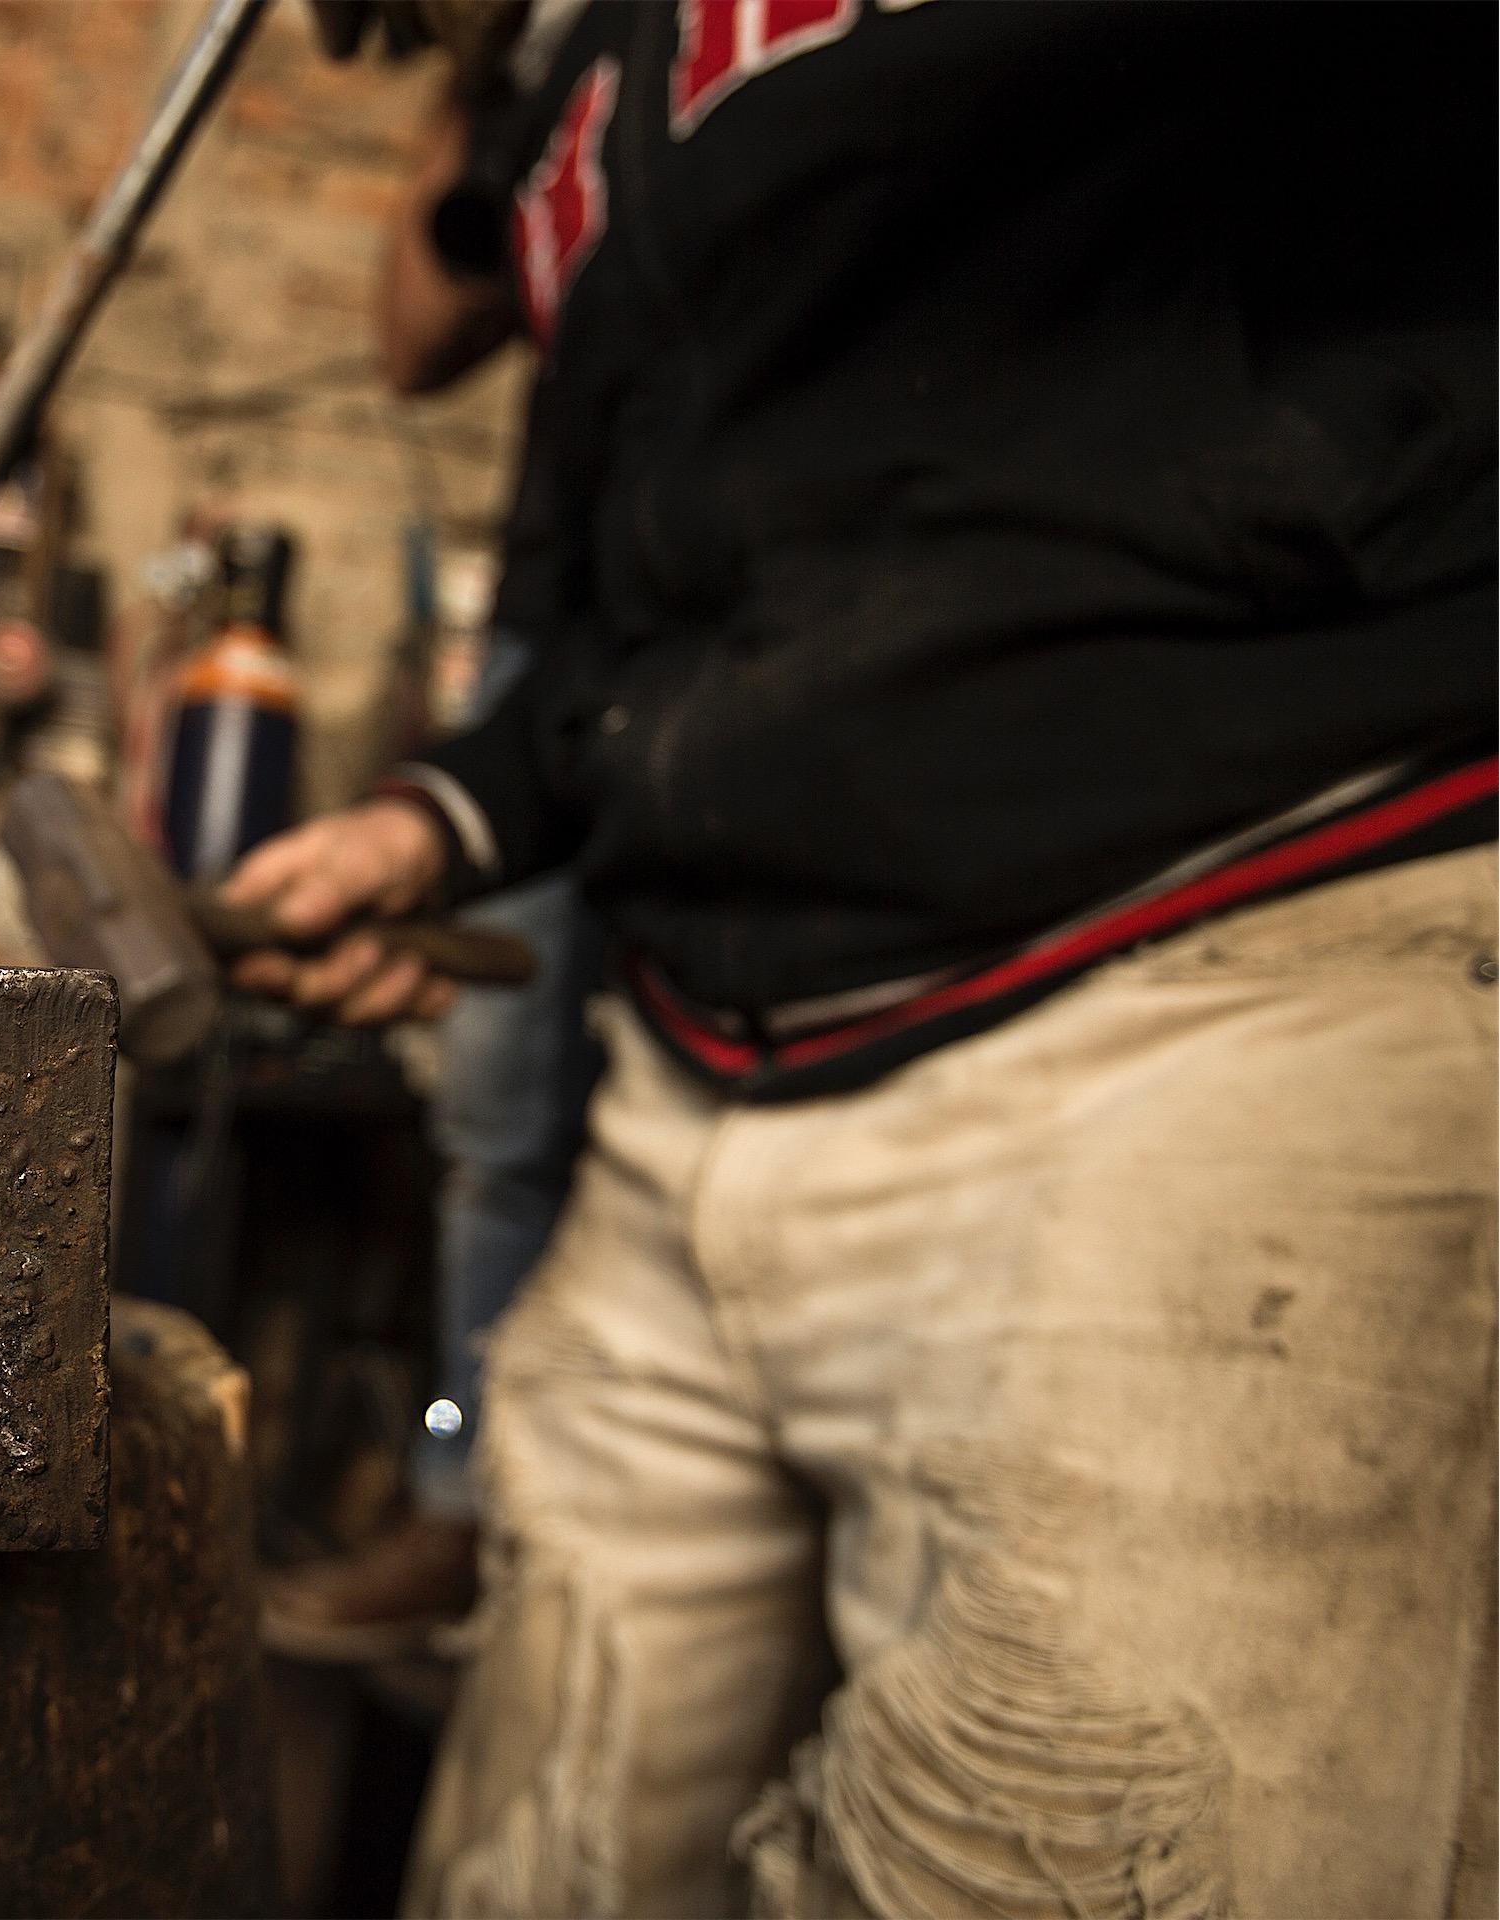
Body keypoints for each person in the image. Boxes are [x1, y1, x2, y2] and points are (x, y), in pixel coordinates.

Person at [227, 3, 1497, 1914]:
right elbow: (612, 597)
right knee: (528, 1877)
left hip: (1217, 995)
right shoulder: (592, 84)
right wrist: (439, 820)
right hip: (679, 1117)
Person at [263, 75, 609, 1663]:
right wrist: (478, 86)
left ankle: (571, 1527)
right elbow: (416, 338)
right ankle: (461, 1493)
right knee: (499, 1113)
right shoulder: (556, 54)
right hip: (573, 633)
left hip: (825, 627)